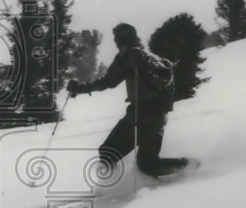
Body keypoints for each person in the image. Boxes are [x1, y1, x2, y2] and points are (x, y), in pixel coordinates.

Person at [66, 22, 187, 178]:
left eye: (117, 38)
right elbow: (112, 81)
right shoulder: (144, 56)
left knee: (115, 155)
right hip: (151, 115)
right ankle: (188, 166)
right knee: (143, 163)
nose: (116, 42)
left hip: (145, 115)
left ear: (121, 39)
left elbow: (108, 81)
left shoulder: (130, 56)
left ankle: (187, 168)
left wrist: (80, 88)